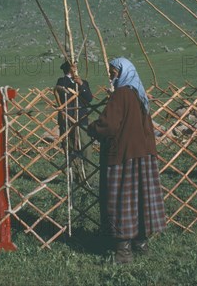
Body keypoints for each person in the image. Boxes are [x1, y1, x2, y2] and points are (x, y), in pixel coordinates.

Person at [88, 57, 166, 264]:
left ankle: (123, 252)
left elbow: (109, 125)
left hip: (124, 156)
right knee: (140, 197)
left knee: (121, 199)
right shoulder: (139, 94)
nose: (111, 75)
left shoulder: (121, 95)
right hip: (144, 155)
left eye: (114, 71)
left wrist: (92, 128)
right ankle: (141, 243)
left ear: (123, 72)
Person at [55, 60, 94, 181]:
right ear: (68, 69)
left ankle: (87, 177)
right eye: (73, 67)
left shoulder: (83, 82)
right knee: (70, 148)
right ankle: (77, 176)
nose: (76, 69)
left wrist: (81, 84)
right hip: (67, 120)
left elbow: (89, 99)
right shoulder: (62, 82)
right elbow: (62, 92)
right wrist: (72, 79)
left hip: (81, 119)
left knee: (86, 147)